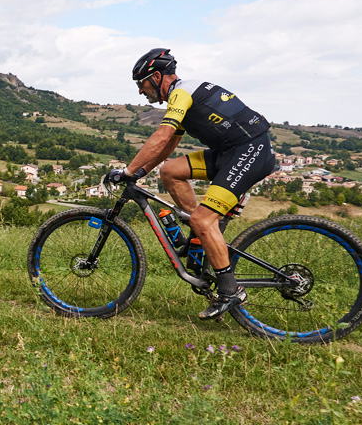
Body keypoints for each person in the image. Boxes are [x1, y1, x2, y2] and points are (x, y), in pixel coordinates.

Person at [106, 49, 276, 320]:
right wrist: (140, 172)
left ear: (158, 76)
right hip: (230, 152)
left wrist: (127, 172)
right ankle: (199, 240)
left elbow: (161, 136)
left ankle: (231, 292)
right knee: (171, 171)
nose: (141, 92)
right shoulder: (184, 96)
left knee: (204, 220)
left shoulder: (181, 93)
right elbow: (168, 147)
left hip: (249, 151)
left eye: (142, 84)